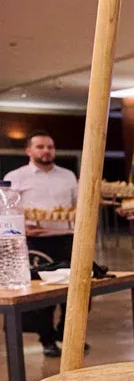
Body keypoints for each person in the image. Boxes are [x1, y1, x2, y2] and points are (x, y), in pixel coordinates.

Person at [8, 131, 77, 357]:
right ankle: (46, 338)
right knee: (42, 293)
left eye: (50, 146)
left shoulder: (68, 176)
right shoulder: (16, 178)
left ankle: (66, 334)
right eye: (40, 147)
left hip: (66, 238)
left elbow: (78, 206)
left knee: (74, 290)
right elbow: (6, 211)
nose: (46, 151)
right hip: (36, 242)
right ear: (29, 151)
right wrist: (23, 227)